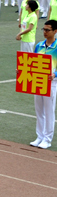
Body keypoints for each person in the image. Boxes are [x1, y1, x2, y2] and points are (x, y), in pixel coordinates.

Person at [30, 20, 57, 149]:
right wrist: (22, 70)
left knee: (49, 111)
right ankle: (39, 136)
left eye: (48, 30)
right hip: (38, 80)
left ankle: (47, 138)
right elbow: (32, 61)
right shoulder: (39, 45)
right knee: (39, 110)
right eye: (43, 29)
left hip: (51, 82)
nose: (45, 32)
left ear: (55, 31)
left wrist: (55, 75)